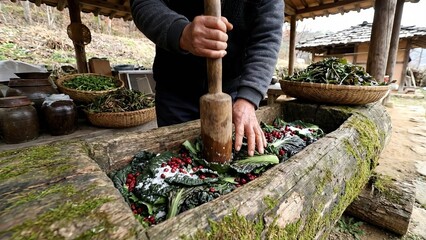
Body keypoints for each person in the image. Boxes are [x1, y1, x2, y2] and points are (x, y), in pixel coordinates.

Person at [130, 0, 284, 157]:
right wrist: (180, 33)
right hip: (175, 90)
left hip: (232, 94)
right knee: (176, 161)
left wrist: (248, 97)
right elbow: (144, 2)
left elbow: (268, 35)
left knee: (232, 155)